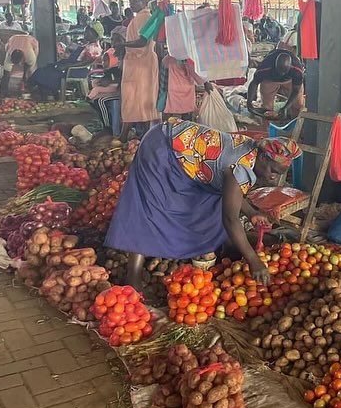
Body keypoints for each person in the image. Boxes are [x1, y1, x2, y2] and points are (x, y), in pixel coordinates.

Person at [105, 119, 301, 289]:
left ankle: (202, 256)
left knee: (208, 203)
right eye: (273, 170)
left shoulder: (252, 153)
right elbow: (230, 219)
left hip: (183, 154)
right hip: (162, 148)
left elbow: (233, 196)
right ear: (264, 157)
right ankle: (133, 280)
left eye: (279, 174)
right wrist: (253, 260)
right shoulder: (241, 168)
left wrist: (251, 213)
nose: (273, 177)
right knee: (151, 210)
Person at [119, 0, 160, 141]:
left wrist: (123, 44)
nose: (131, 3)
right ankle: (145, 135)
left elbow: (143, 42)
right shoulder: (140, 17)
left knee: (136, 99)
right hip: (139, 64)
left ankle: (124, 136)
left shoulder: (144, 17)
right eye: (130, 0)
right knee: (139, 100)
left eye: (135, 0)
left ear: (145, 0)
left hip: (141, 64)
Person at [246, 47, 305, 120]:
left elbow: (296, 90)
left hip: (289, 81)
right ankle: (268, 126)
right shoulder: (265, 66)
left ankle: (294, 124)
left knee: (298, 105)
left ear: (290, 67)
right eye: (279, 72)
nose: (281, 75)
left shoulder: (297, 70)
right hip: (270, 81)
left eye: (283, 73)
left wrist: (286, 107)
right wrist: (249, 102)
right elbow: (254, 83)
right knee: (266, 108)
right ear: (274, 65)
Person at [159, 54, 210, 119]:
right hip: (186, 91)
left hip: (172, 91)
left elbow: (162, 79)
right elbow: (194, 73)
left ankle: (170, 127)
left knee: (171, 116)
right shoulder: (185, 58)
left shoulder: (166, 59)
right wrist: (205, 83)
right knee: (186, 116)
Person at [0, 31, 39, 97]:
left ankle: (31, 89)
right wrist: (2, 90)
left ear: (23, 58)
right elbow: (6, 73)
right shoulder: (9, 53)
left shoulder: (30, 56)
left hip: (29, 41)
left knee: (30, 72)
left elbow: (29, 69)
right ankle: (3, 91)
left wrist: (25, 79)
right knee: (6, 74)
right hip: (13, 39)